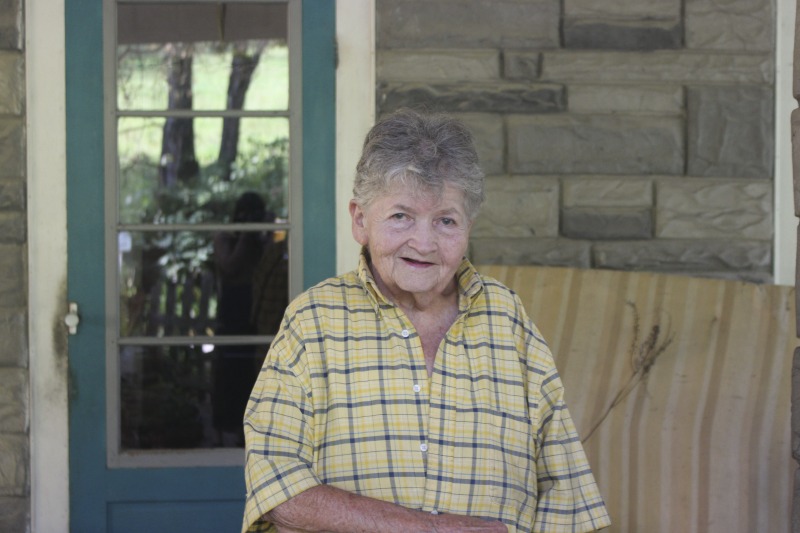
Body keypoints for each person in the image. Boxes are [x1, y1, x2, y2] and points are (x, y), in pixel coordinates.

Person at [242, 108, 611, 532]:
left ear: (468, 227)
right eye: (401, 216)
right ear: (360, 220)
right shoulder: (313, 323)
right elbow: (276, 488)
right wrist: (434, 530)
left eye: (446, 221)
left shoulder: (508, 321)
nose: (424, 242)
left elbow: (567, 496)